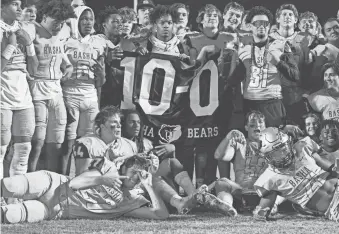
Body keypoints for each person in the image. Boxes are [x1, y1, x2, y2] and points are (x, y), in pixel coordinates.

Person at [1, 154, 172, 223]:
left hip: (54, 210)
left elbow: (161, 215)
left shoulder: (133, 201)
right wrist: (102, 179)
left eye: (140, 175)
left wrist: (149, 187)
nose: (136, 178)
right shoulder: (108, 167)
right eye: (134, 172)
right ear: (124, 168)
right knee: (9, 186)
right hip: (52, 184)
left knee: (9, 215)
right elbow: (74, 184)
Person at [227, 6, 299, 127]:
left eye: (265, 23)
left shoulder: (281, 46)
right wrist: (236, 61)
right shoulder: (243, 49)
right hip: (249, 104)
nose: (261, 26)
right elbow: (232, 81)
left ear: (269, 26)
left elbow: (295, 76)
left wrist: (278, 63)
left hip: (272, 103)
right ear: (250, 26)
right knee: (252, 142)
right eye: (257, 23)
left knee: (274, 143)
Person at [27, 0, 76, 173]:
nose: (59, 26)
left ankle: (51, 184)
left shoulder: (62, 31)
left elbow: (60, 52)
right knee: (36, 143)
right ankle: (30, 182)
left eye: (62, 23)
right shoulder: (32, 29)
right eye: (56, 22)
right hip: (37, 89)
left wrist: (68, 66)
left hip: (56, 91)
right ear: (45, 16)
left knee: (56, 142)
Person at [253, 127, 339, 222]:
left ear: (289, 143)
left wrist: (333, 168)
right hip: (332, 207)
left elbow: (326, 164)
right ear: (266, 156)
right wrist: (261, 212)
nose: (283, 154)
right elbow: (261, 213)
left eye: (284, 148)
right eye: (276, 153)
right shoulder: (269, 178)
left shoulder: (303, 146)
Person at [61, 6, 106, 175]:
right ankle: (65, 181)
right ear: (76, 20)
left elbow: (101, 81)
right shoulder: (66, 41)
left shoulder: (99, 43)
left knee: (89, 144)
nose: (88, 22)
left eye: (90, 19)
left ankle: (85, 181)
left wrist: (101, 74)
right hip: (70, 93)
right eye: (84, 18)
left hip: (90, 95)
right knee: (69, 144)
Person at [1, 0, 38, 179]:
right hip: (2, 95)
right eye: (14, 4)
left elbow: (34, 70)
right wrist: (10, 46)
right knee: (1, 149)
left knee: (24, 150)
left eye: (20, 4)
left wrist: (29, 44)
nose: (20, 8)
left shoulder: (24, 30)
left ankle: (15, 198)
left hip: (23, 95)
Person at [213, 111, 267, 215]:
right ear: (246, 127)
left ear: (266, 126)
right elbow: (218, 156)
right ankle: (227, 206)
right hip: (241, 191)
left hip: (265, 192)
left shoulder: (273, 145)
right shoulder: (240, 144)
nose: (257, 127)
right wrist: (229, 136)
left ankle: (272, 206)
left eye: (260, 123)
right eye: (252, 125)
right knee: (221, 183)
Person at [72, 106, 138, 176]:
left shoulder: (130, 146)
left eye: (119, 122)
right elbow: (82, 178)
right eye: (114, 122)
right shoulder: (86, 144)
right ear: (102, 127)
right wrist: (108, 160)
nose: (119, 125)